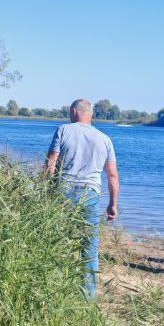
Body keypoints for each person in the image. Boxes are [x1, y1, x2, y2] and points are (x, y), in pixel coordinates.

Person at [45, 98, 119, 297]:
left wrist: (46, 192)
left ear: (73, 111)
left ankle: (56, 288)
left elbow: (50, 164)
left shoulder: (64, 129)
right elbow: (112, 175)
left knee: (57, 240)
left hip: (65, 190)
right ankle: (88, 296)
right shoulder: (105, 139)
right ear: (91, 114)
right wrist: (113, 204)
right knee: (89, 244)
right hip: (91, 195)